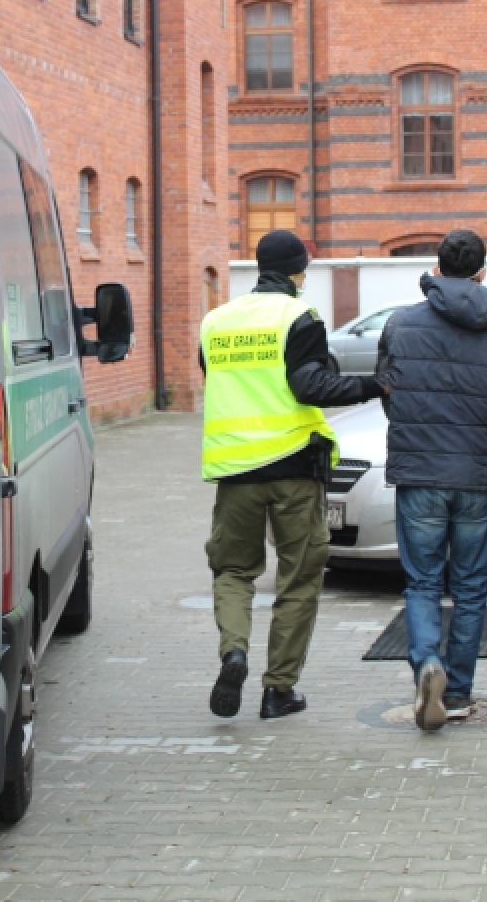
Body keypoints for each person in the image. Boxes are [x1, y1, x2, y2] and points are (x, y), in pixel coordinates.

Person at [199, 230, 386, 720]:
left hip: (235, 469)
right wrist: (374, 386)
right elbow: (310, 387)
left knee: (233, 570)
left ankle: (233, 651)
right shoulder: (298, 317)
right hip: (293, 468)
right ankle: (278, 689)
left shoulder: (215, 322)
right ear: (299, 271)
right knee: (299, 577)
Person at [375, 230, 487, 732]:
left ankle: (426, 664)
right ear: (483, 272)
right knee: (470, 586)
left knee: (422, 581)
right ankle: (457, 691)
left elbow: (388, 392)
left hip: (420, 474)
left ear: (436, 269)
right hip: (477, 475)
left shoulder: (400, 323)